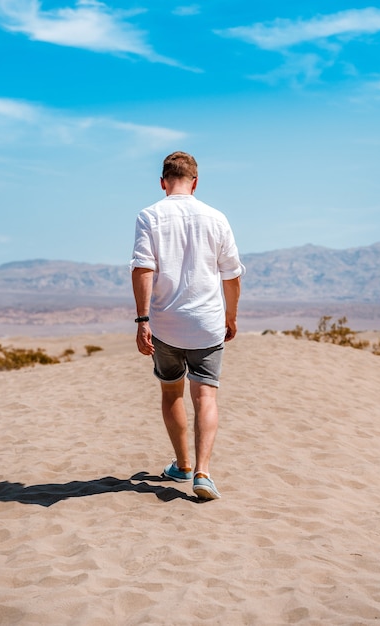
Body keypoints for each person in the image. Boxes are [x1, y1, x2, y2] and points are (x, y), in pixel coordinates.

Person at [130, 151, 245, 500]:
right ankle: (202, 472)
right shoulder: (216, 217)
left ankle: (181, 463)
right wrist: (230, 316)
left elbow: (142, 269)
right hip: (207, 324)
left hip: (166, 324)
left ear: (163, 182)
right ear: (195, 182)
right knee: (205, 395)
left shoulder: (149, 215)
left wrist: (142, 320)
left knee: (171, 393)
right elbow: (232, 274)